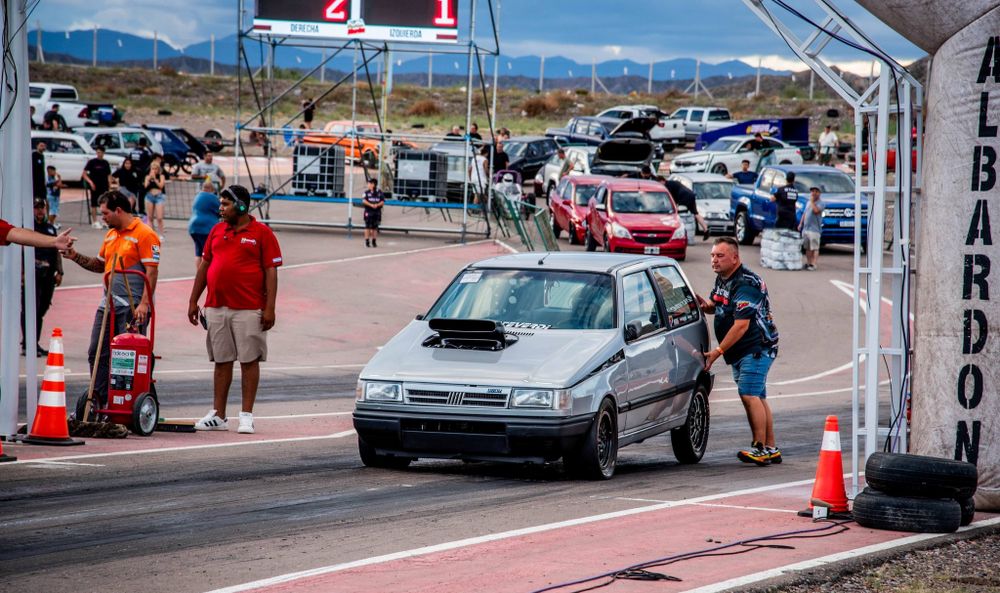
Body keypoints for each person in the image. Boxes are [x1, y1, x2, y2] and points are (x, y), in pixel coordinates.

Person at [187, 185, 282, 434]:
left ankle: (246, 415)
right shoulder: (217, 230)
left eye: (225, 204)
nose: (220, 208)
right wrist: (192, 301)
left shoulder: (262, 233)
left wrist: (270, 308)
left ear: (241, 206)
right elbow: (204, 267)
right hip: (216, 307)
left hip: (249, 308)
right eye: (220, 203)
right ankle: (218, 415)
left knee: (249, 360)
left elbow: (271, 272)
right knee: (221, 360)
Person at [63, 191, 160, 409]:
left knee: (127, 355)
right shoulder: (111, 235)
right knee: (97, 350)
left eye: (105, 213)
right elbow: (99, 265)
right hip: (107, 304)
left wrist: (144, 304)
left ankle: (130, 401)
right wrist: (74, 256)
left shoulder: (145, 234)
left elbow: (152, 272)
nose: (102, 217)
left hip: (132, 306)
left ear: (118, 210)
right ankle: (97, 400)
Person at [697, 237, 780, 465]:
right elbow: (720, 304)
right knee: (758, 396)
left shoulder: (746, 283)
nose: (714, 260)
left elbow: (741, 325)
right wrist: (707, 307)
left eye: (720, 256)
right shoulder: (723, 278)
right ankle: (771, 447)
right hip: (743, 350)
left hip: (756, 347)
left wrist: (718, 351)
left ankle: (760, 448)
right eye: (713, 255)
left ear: (735, 257)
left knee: (749, 394)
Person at [21, 198, 64, 356]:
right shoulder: (27, 229)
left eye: (42, 208)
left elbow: (57, 251)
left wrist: (60, 272)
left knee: (41, 309)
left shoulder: (50, 229)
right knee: (30, 309)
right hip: (32, 275)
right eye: (36, 208)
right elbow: (20, 252)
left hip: (48, 276)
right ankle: (28, 344)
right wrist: (22, 272)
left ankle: (34, 343)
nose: (39, 211)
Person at [665, 175, 710, 240]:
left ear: (662, 181)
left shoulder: (668, 185)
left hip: (684, 197)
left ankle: (681, 233)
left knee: (680, 213)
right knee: (695, 213)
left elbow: (671, 198)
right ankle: (706, 229)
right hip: (690, 195)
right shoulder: (673, 182)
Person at [188, 180, 220, 269]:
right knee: (208, 253)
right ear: (211, 189)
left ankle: (199, 273)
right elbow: (221, 210)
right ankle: (205, 275)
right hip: (206, 228)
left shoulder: (197, 196)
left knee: (198, 252)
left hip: (193, 227)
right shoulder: (212, 197)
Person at [83, 146, 113, 228]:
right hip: (94, 186)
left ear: (103, 153)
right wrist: (90, 182)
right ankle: (95, 221)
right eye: (97, 152)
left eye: (100, 152)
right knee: (94, 203)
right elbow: (84, 174)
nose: (99, 154)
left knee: (104, 203)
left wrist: (110, 186)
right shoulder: (92, 162)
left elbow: (109, 175)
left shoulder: (105, 163)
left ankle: (104, 221)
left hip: (104, 186)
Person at [799, 186, 824, 270]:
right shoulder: (808, 202)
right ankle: (809, 262)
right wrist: (800, 223)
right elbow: (805, 213)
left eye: (816, 191)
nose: (813, 193)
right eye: (812, 191)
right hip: (806, 228)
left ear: (819, 193)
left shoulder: (821, 203)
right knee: (807, 247)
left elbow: (816, 211)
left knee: (815, 247)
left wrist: (812, 202)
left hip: (815, 229)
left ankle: (813, 264)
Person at [144, 160, 167, 238]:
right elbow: (145, 186)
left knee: (159, 217)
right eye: (152, 168)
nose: (154, 170)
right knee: (150, 217)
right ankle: (151, 234)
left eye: (156, 168)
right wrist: (149, 179)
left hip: (159, 197)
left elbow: (161, 186)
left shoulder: (161, 176)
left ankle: (161, 234)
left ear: (158, 169)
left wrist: (155, 179)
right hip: (149, 196)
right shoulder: (147, 176)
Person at [362, 178, 386, 248]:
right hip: (368, 211)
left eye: (369, 183)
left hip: (377, 212)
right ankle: (367, 241)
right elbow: (364, 201)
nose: (368, 185)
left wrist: (377, 205)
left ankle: (374, 241)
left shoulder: (379, 192)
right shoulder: (366, 193)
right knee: (367, 226)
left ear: (373, 184)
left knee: (375, 227)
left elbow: (382, 201)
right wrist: (371, 205)